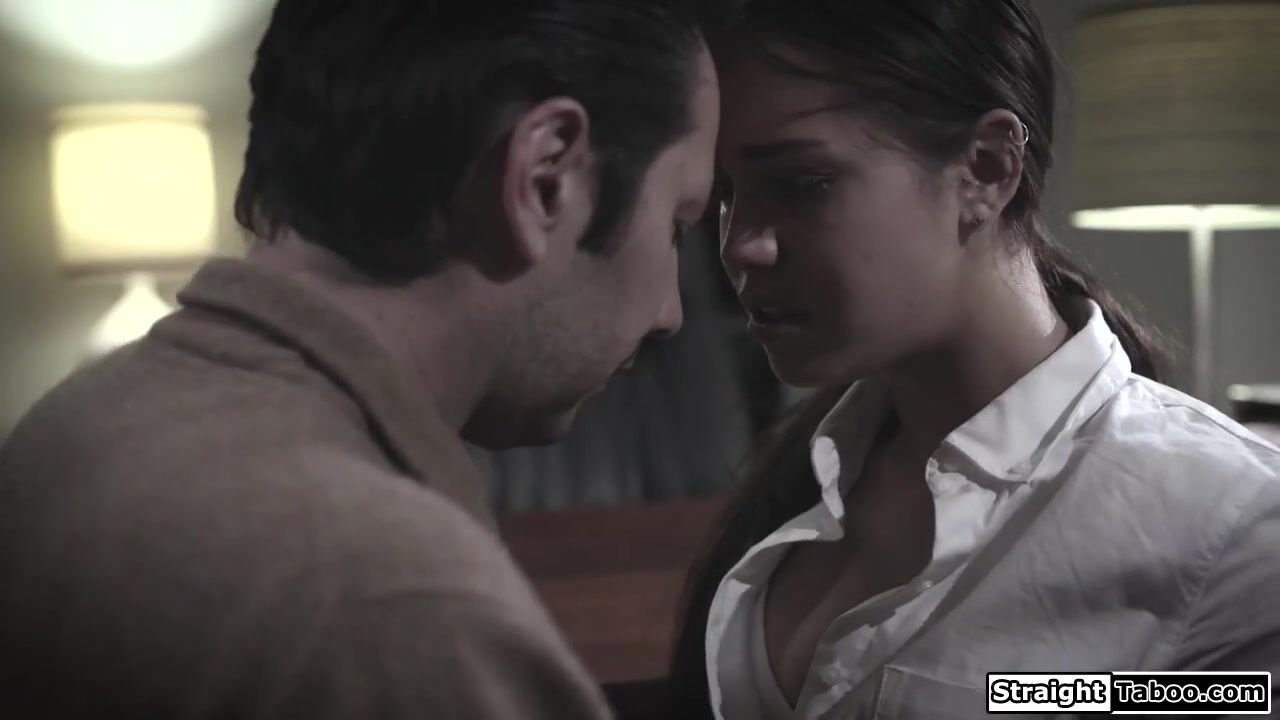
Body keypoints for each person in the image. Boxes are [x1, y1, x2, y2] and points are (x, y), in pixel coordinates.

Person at [0, 1, 721, 717]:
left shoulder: (72, 425)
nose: (670, 313)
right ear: (546, 177)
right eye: (676, 222)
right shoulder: (395, 613)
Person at [669, 1, 1280, 718]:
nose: (741, 245)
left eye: (802, 183)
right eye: (725, 195)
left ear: (987, 168)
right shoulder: (808, 476)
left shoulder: (1233, 531)